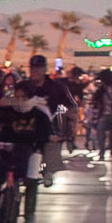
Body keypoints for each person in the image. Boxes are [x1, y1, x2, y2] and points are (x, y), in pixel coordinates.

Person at [0, 82, 52, 223]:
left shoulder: (39, 113)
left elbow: (46, 135)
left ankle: (28, 210)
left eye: (24, 97)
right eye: (17, 96)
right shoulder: (5, 110)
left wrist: (40, 146)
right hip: (5, 149)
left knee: (31, 178)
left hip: (28, 151)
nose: (19, 101)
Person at [16, 54, 75, 187]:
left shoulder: (57, 87)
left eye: (39, 68)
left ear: (45, 69)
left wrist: (67, 131)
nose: (35, 71)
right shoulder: (23, 86)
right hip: (26, 127)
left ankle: (48, 171)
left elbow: (70, 108)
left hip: (50, 127)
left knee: (51, 145)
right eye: (33, 68)